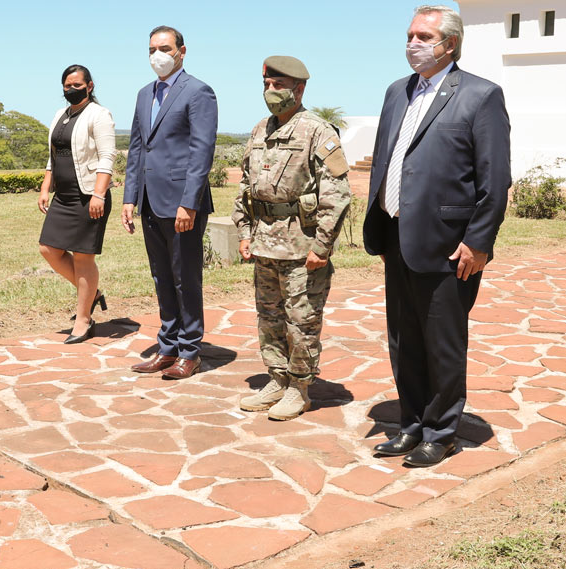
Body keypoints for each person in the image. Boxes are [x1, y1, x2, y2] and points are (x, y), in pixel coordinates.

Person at [363, 5, 511, 468]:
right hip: (397, 238)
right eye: (409, 34)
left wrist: (479, 242)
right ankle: (410, 424)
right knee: (404, 340)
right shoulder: (396, 92)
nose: (413, 43)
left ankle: (441, 430)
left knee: (442, 342)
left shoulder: (480, 96)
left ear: (449, 43)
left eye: (424, 36)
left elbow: (495, 178)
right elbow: (388, 159)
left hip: (450, 245)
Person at [232, 56, 352, 420]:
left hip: (303, 246)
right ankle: (277, 378)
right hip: (265, 242)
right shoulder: (258, 131)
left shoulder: (318, 131)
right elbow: (244, 186)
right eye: (267, 85)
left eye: (279, 86)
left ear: (299, 89)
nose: (271, 92)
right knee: (268, 316)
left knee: (301, 319)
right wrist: (243, 231)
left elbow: (336, 193)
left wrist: (322, 245)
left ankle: (299, 387)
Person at [122, 26, 218, 379]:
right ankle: (168, 347)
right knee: (162, 277)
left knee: (184, 278)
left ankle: (190, 350)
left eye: (164, 48)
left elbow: (201, 151)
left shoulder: (198, 92)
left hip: (182, 204)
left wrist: (189, 203)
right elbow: (136, 149)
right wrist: (130, 197)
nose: (156, 55)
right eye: (151, 49)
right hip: (149, 200)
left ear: (182, 51)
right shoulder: (144, 94)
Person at [38, 64, 116, 343]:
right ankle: (92, 294)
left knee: (83, 257)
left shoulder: (99, 114)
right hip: (64, 196)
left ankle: (83, 320)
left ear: (90, 86)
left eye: (77, 85)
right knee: (48, 248)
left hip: (88, 196)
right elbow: (53, 155)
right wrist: (46, 187)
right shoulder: (61, 115)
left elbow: (107, 157)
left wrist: (98, 194)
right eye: (67, 86)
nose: (71, 90)